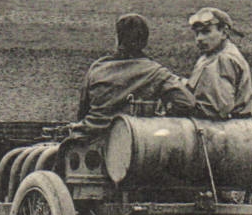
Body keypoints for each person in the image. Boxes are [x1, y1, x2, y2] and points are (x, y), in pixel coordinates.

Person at [68, 13, 196, 135]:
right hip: (131, 140)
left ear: (118, 39)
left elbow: (82, 111)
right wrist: (160, 119)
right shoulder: (156, 72)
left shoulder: (97, 67)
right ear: (145, 41)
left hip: (90, 136)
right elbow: (186, 102)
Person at [187, 7, 252, 119]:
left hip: (227, 128)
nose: (199, 38)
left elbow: (215, 109)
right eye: (197, 33)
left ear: (224, 33)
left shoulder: (224, 59)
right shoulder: (209, 56)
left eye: (206, 32)